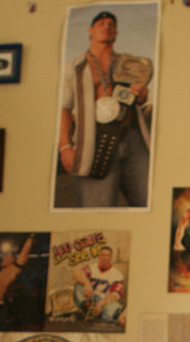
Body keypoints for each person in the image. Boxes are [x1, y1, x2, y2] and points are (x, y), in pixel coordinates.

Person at [58, 10, 152, 207]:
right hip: (95, 140)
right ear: (90, 31)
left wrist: (142, 96)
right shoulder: (74, 67)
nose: (107, 26)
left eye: (111, 24)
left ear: (116, 33)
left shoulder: (129, 63)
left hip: (132, 136)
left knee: (150, 201)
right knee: (94, 210)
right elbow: (64, 108)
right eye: (101, 23)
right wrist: (65, 146)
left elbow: (139, 97)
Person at [0, 234, 34, 331]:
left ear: (12, 261)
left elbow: (24, 253)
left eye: (6, 257)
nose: (3, 258)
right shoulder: (2, 272)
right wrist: (13, 250)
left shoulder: (13, 270)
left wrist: (31, 237)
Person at [72, 245, 127, 326]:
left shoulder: (117, 274)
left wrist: (102, 303)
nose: (104, 257)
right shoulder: (92, 267)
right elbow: (77, 274)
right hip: (89, 298)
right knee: (78, 286)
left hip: (103, 300)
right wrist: (87, 283)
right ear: (99, 256)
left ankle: (99, 314)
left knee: (115, 308)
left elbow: (115, 295)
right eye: (102, 255)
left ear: (111, 257)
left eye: (107, 255)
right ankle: (86, 309)